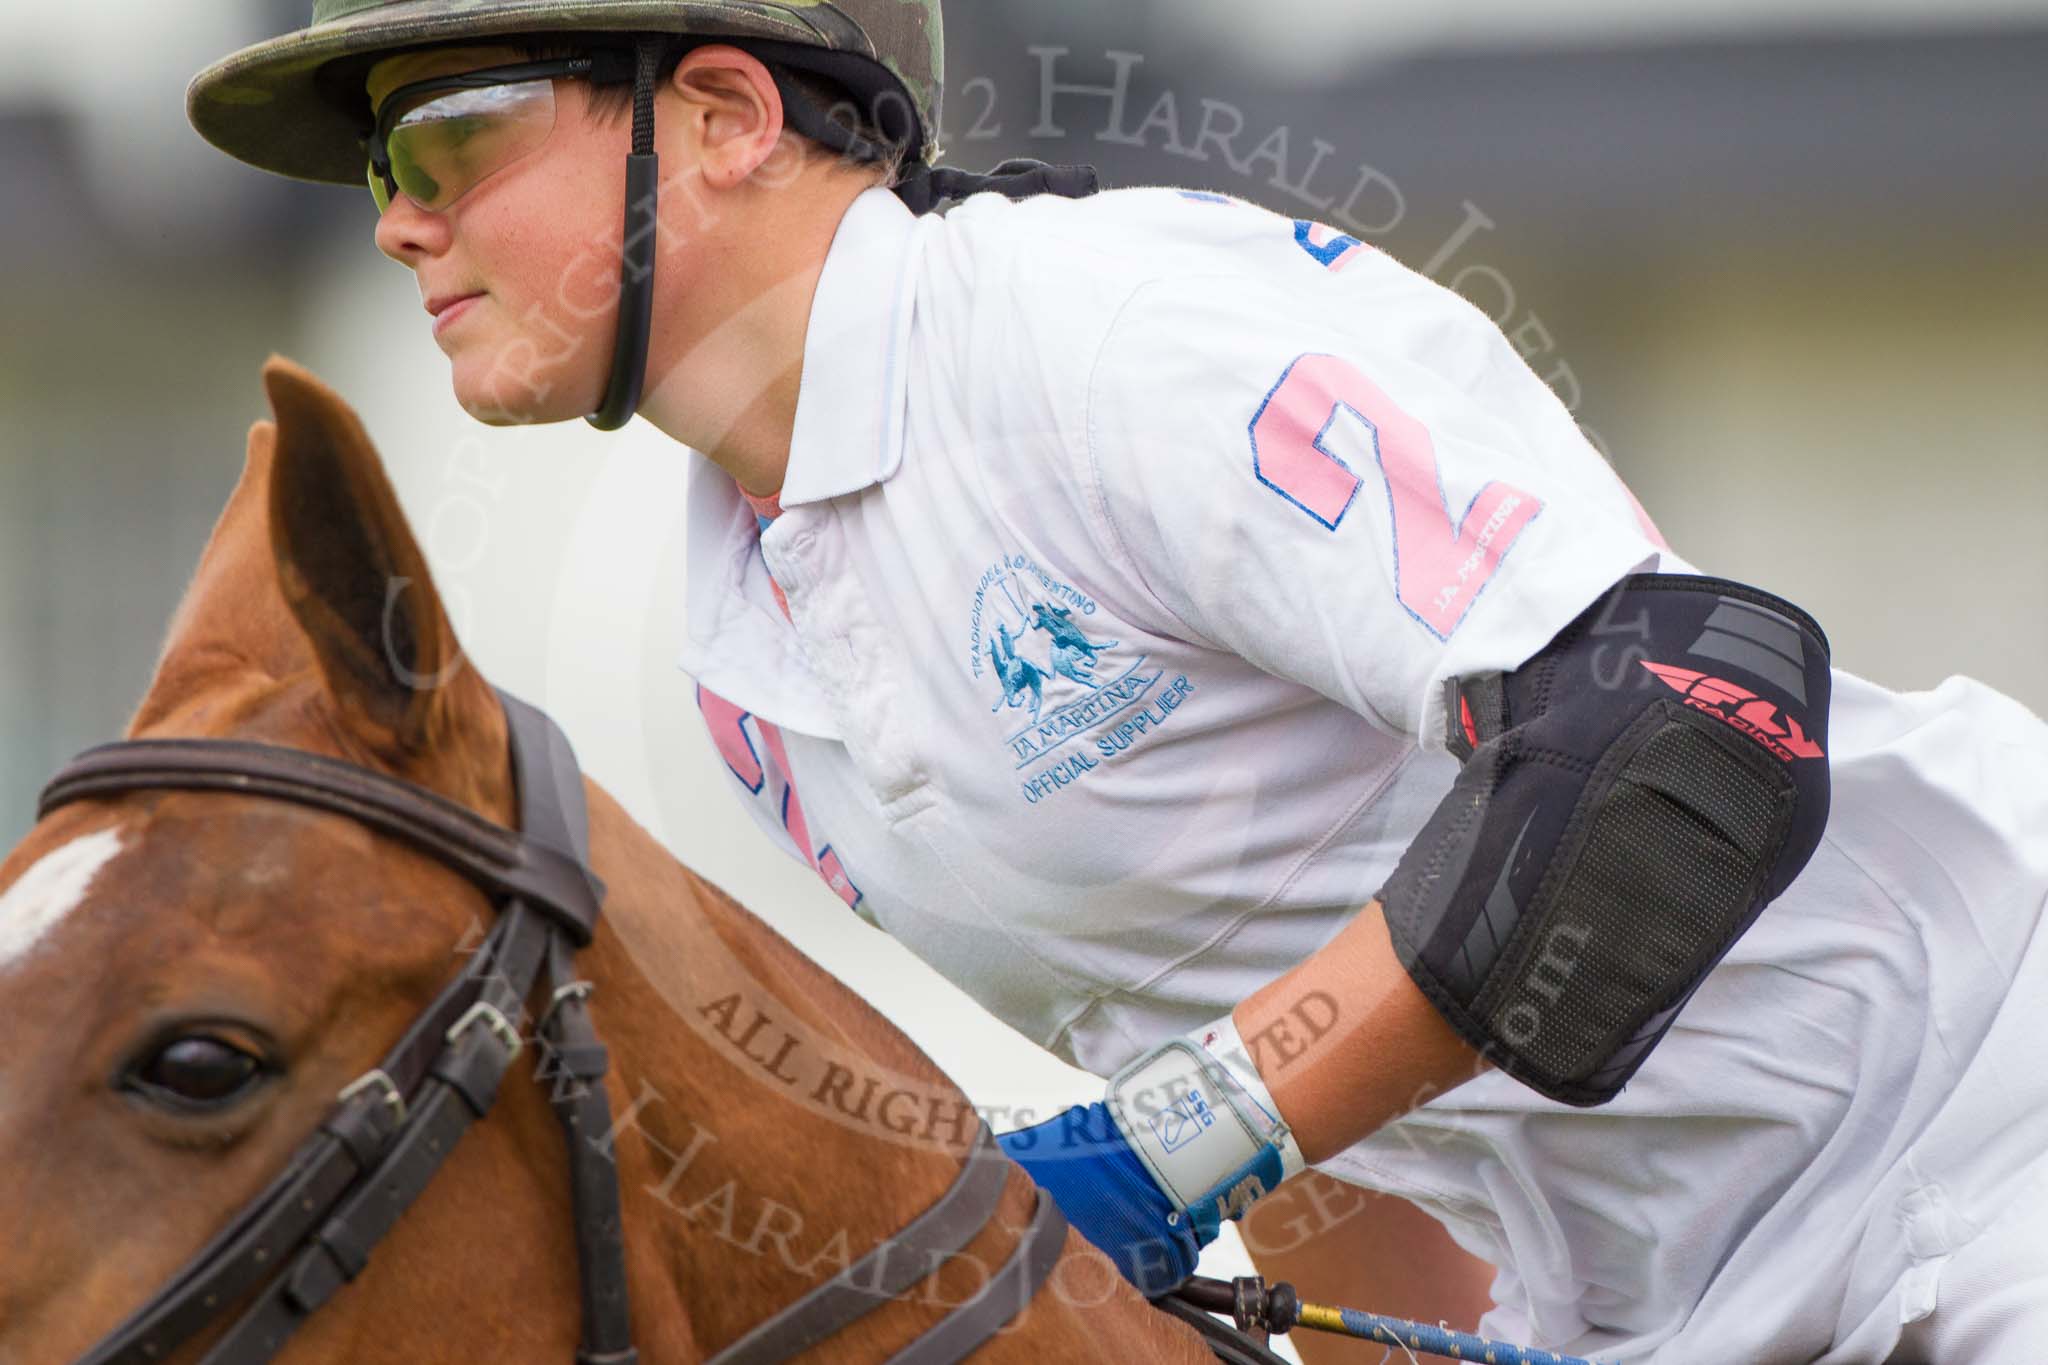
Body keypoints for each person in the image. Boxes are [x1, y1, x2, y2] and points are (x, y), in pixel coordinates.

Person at [187, 4, 2048, 1360]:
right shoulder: (742, 653)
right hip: (1659, 1300)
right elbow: (1353, 1007)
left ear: (728, 115)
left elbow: (1676, 746)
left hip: (1992, 1123)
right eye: (378, 172)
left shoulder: (1107, 338)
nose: (395, 222)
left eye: (448, 145)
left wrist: (1176, 1148)